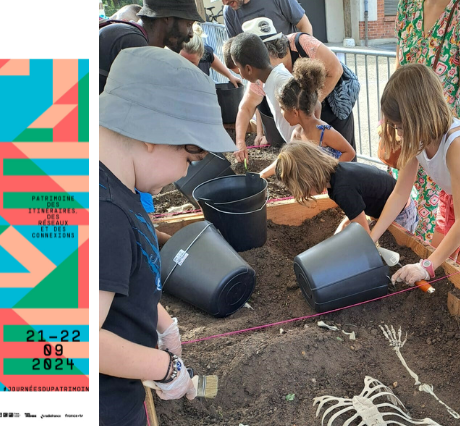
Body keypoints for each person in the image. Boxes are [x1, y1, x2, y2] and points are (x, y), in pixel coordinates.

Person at [99, 47, 237, 425]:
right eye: (188, 158)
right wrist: (164, 367)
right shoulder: (105, 214)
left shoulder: (116, 188)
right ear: (151, 134)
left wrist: (161, 322)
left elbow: (121, 276)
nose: (181, 174)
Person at [369, 63, 460, 285]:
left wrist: (426, 266)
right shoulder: (416, 137)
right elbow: (400, 194)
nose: (398, 134)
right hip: (453, 194)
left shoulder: (456, 145)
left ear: (418, 117)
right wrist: (371, 239)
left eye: (400, 127)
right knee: (437, 252)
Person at [389, 0, 460, 244]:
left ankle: (428, 264)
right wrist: (392, 123)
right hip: (411, 128)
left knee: (443, 221)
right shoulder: (408, 5)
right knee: (410, 206)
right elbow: (399, 67)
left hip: (440, 135)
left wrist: (456, 151)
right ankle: (421, 259)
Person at [256, 18, 359, 152]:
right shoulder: (298, 133)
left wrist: (313, 102)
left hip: (334, 106)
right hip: (309, 111)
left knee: (340, 150)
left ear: (270, 53)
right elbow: (251, 101)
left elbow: (336, 70)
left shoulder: (302, 43)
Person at [276, 142, 418, 236]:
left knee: (393, 250)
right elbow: (355, 209)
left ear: (307, 179)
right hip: (384, 209)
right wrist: (341, 229)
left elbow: (363, 232)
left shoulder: (342, 189)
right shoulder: (337, 174)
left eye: (300, 189)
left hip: (400, 214)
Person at [99, 0, 201, 94]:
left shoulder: (128, 34)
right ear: (167, 18)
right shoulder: (133, 42)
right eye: (189, 24)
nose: (191, 33)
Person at [230, 31, 298, 162]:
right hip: (296, 148)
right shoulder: (269, 79)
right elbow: (246, 108)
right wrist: (240, 142)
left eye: (239, 69)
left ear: (249, 69)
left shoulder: (282, 84)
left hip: (305, 151)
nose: (241, 75)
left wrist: (297, 145)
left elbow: (310, 112)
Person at [277, 58, 354, 162]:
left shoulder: (325, 132)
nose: (281, 113)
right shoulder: (296, 134)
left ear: (295, 112)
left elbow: (350, 153)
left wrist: (329, 170)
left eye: (282, 108)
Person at [222, 0, 312, 38]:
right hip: (258, 75)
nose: (225, 2)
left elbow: (304, 25)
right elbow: (234, 50)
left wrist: (305, 58)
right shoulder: (228, 11)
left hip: (289, 68)